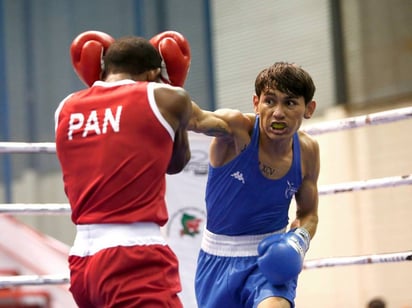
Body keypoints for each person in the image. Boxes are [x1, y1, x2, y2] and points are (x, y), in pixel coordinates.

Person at [54, 30, 192, 307]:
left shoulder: (65, 107)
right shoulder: (164, 97)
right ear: (153, 73)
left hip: (83, 259)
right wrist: (177, 107)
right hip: (134, 256)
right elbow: (176, 164)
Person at [188, 62, 320, 308]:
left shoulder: (308, 151)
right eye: (270, 101)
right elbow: (194, 119)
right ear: (256, 103)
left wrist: (298, 240)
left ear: (308, 108)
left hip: (269, 262)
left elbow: (309, 213)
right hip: (218, 261)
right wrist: (161, 91)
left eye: (290, 103)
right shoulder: (236, 131)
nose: (278, 112)